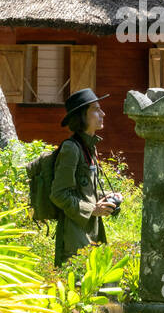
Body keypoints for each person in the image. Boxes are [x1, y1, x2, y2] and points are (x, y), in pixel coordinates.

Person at [50, 88, 118, 265]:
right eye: (95, 109)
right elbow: (59, 194)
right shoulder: (71, 149)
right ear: (82, 116)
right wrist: (93, 209)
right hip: (75, 236)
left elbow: (83, 192)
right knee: (78, 286)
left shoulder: (89, 147)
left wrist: (105, 200)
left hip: (92, 230)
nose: (102, 113)